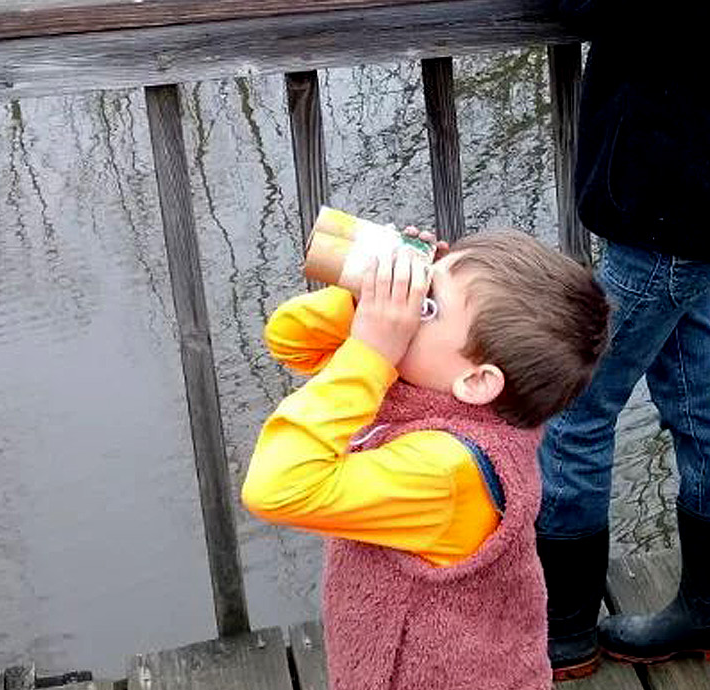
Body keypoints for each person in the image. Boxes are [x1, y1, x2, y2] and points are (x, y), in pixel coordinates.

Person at [540, 0, 710, 679]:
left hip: (669, 204)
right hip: (701, 193)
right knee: (699, 400)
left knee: (575, 404)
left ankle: (560, 630)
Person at [242, 230, 609, 690]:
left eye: (428, 306)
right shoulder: (450, 394)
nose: (408, 306)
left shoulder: (445, 471)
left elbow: (274, 488)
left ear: (477, 381)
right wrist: (365, 299)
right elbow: (287, 339)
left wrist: (372, 350)